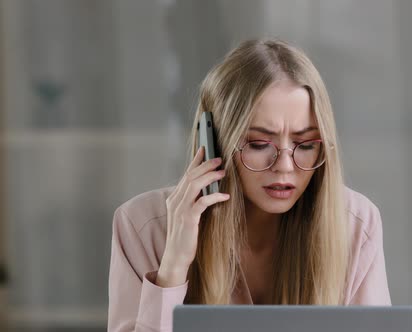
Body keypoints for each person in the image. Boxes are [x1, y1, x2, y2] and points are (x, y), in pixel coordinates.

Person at [108, 38, 390, 332]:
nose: (284, 166)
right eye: (258, 143)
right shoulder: (141, 226)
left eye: (305, 144)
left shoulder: (357, 225)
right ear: (214, 142)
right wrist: (173, 269)